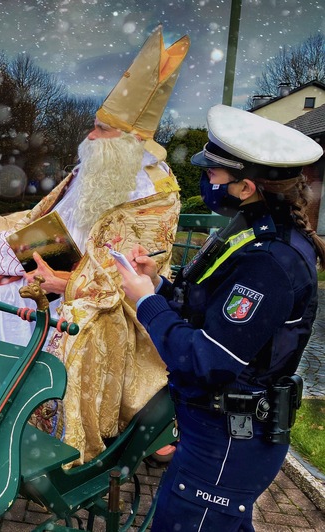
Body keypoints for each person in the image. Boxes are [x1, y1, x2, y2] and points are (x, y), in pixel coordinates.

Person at [0, 27, 190, 464]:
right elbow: (46, 226)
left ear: (128, 140)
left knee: (74, 323)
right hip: (56, 278)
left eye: (101, 129)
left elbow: (136, 276)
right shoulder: (92, 169)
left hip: (111, 305)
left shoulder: (156, 191)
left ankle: (57, 437)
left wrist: (65, 285)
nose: (89, 135)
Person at [116, 104, 324, 531]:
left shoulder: (270, 260)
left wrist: (144, 302)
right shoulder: (254, 231)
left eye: (213, 174)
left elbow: (208, 358)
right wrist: (156, 285)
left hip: (228, 441)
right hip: (219, 433)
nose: (205, 181)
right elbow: (209, 313)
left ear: (246, 186)